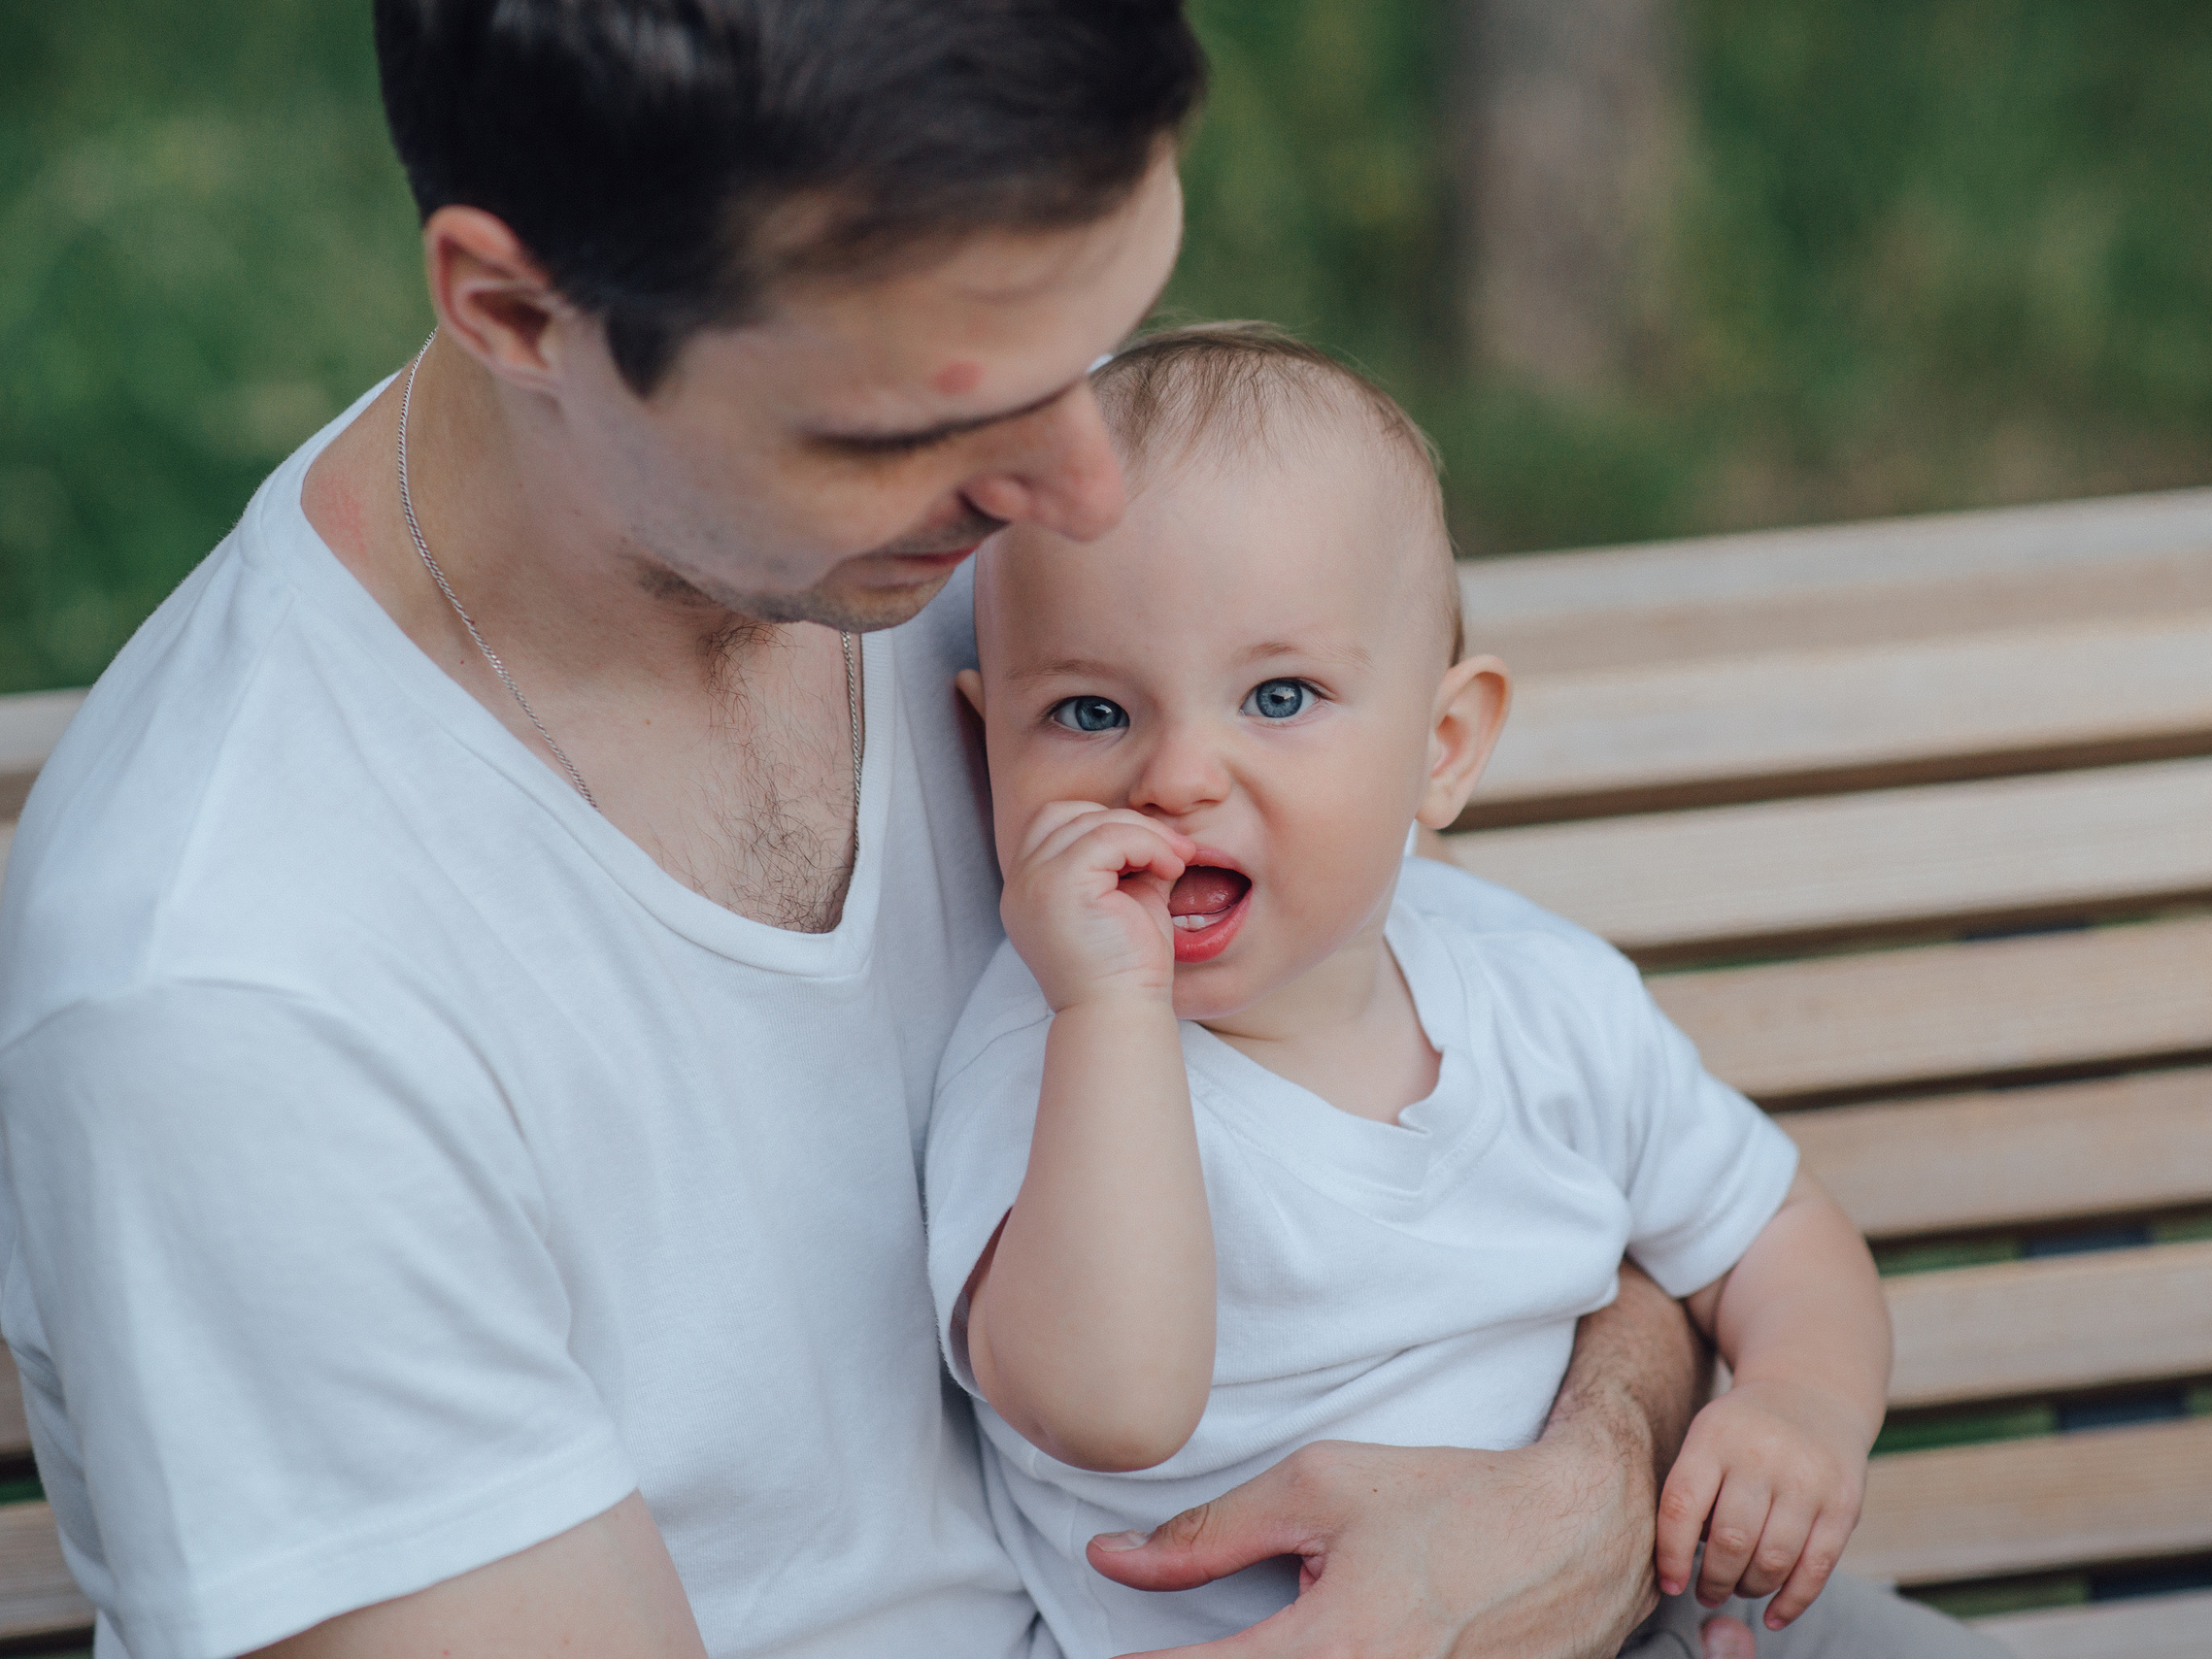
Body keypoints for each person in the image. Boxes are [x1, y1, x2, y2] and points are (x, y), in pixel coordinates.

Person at [0, 5, 2001, 1657]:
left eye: (1099, 344)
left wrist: (1566, 1499)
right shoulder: (232, 992)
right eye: (920, 423)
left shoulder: (1052, 568)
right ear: (519, 313)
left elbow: (1515, 1150)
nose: (1077, 486)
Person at [927, 324, 2005, 1659]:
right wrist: (1110, 1016)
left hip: (1666, 1602)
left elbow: (1774, 1226)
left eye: (1278, 695)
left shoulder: (1536, 991)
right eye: (1091, 713)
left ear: (1442, 749)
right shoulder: (1046, 1058)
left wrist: (1797, 1403)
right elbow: (1110, 1404)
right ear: (990, 754)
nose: (1178, 776)